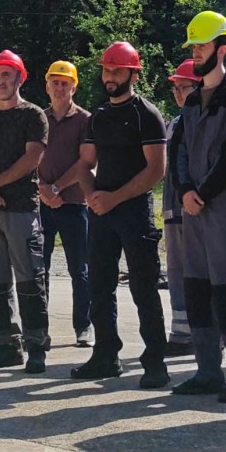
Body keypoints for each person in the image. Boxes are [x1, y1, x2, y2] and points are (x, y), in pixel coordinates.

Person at [168, 9, 226, 403]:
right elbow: (179, 151)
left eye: (203, 45)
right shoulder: (192, 101)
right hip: (193, 211)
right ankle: (208, 372)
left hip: (224, 209)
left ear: (222, 49)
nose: (196, 52)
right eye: (193, 46)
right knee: (197, 290)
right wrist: (185, 190)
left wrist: (201, 193)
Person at [69, 41, 171, 389]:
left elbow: (156, 170)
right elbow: (85, 164)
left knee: (144, 287)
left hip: (135, 211)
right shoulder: (97, 117)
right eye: (106, 70)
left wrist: (114, 198)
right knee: (99, 284)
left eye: (117, 71)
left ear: (133, 75)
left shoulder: (147, 115)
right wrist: (92, 196)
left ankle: (155, 362)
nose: (109, 77)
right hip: (102, 212)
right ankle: (105, 355)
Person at [0, 50, 51, 373]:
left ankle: (36, 345)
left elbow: (32, 158)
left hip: (21, 208)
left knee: (30, 277)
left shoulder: (33, 116)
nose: (0, 81)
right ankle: (7, 344)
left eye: (6, 74)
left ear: (20, 78)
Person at [37, 60, 93, 347]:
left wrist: (56, 188)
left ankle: (84, 326)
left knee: (80, 270)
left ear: (74, 87)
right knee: (39, 269)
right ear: (47, 86)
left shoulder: (85, 120)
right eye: (55, 82)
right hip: (40, 204)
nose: (59, 88)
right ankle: (39, 329)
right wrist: (42, 190)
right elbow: (27, 156)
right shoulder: (37, 118)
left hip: (75, 204)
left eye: (65, 83)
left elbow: (86, 162)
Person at [161, 60, 200, 355]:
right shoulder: (174, 123)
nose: (177, 93)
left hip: (196, 209)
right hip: (173, 209)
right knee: (176, 269)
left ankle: (205, 333)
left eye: (183, 87)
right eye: (175, 88)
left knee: (200, 271)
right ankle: (181, 333)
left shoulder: (205, 121)